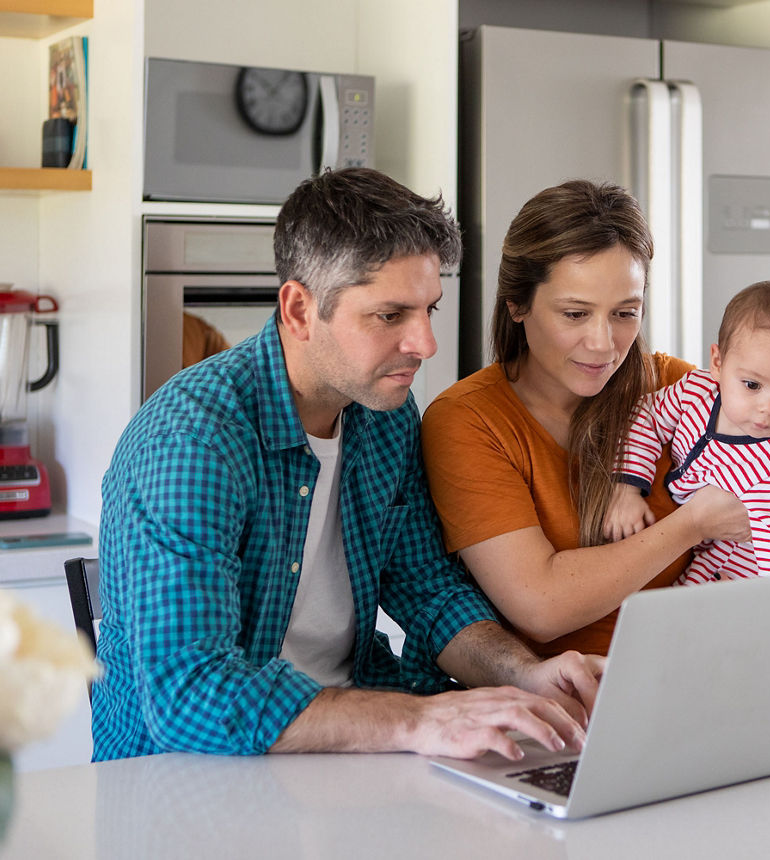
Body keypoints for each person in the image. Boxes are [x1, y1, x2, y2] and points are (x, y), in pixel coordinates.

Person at [92, 168, 601, 763]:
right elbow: (192, 698)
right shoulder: (194, 441)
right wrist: (420, 721)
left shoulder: (384, 414)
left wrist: (523, 674)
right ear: (300, 310)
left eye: (429, 310)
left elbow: (427, 589)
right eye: (390, 316)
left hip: (351, 747)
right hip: (188, 778)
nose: (426, 344)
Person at [420, 180, 749, 658]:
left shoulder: (681, 391)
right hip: (559, 710)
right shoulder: (467, 421)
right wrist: (689, 525)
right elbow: (542, 606)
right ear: (517, 304)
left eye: (624, 313)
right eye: (575, 314)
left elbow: (769, 498)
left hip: (695, 673)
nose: (603, 343)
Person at [604, 281, 770, 584]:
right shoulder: (695, 390)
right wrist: (626, 489)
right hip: (694, 547)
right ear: (717, 363)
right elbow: (646, 417)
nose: (769, 409)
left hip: (734, 569)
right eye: (752, 385)